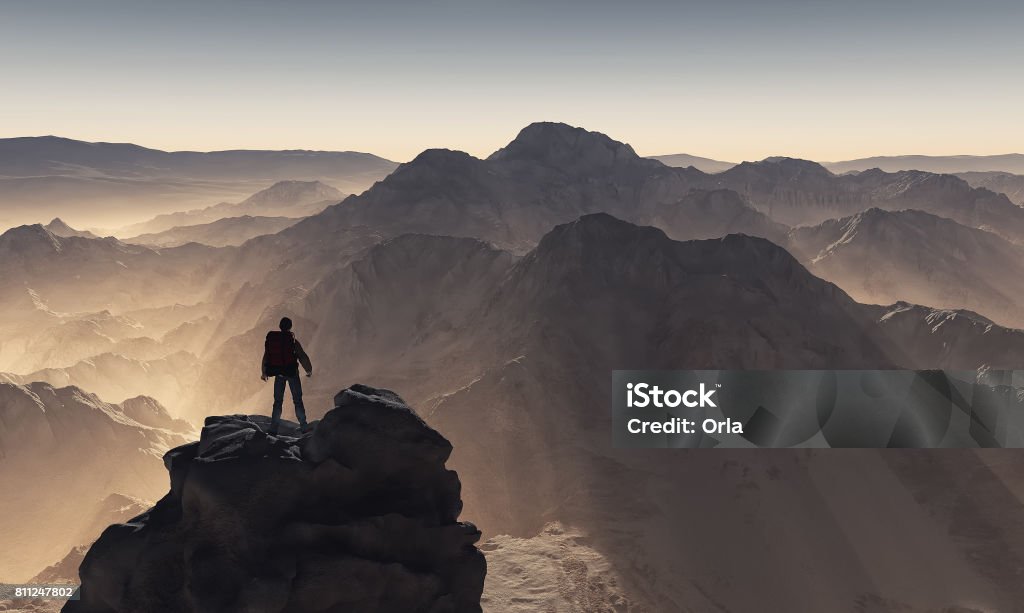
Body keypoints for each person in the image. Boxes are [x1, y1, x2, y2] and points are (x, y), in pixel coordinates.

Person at [261, 317, 313, 434]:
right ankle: (304, 427)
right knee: (297, 400)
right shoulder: (292, 340)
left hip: (278, 373)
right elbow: (302, 356)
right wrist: (308, 370)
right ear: (290, 327)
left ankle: (273, 428)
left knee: (278, 401)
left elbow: (266, 357)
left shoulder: (273, 340)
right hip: (292, 373)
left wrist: (264, 373)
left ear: (280, 326)